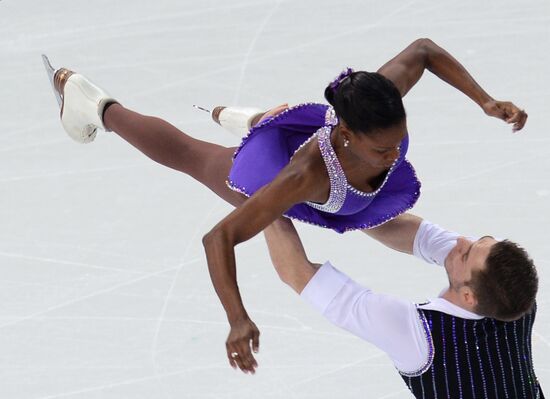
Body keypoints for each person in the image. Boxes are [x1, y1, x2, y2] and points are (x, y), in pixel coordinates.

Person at [45, 38, 528, 374]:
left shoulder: (376, 105)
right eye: (383, 149)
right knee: (195, 157)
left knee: (372, 211)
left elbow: (423, 50)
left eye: (397, 141)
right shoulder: (303, 176)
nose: (393, 153)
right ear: (347, 134)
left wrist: (484, 101)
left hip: (342, 176)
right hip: (282, 176)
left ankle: (254, 117)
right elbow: (220, 237)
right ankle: (99, 106)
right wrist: (237, 317)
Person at [260, 215, 542, 398]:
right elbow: (424, 238)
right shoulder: (516, 297)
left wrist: (267, 197)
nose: (460, 241)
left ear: (469, 297)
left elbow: (296, 272)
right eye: (480, 239)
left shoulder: (418, 335)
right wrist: (336, 198)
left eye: (467, 253)